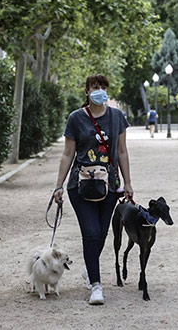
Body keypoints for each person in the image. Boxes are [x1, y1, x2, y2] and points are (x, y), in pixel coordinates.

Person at [53, 74, 133, 305]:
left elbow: (122, 151)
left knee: (102, 233)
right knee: (91, 233)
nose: (99, 91)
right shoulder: (76, 118)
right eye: (95, 87)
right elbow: (68, 153)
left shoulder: (117, 116)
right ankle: (96, 286)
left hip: (109, 184)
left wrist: (127, 183)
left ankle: (90, 267)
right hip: (81, 184)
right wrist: (58, 185)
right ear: (87, 91)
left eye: (103, 87)